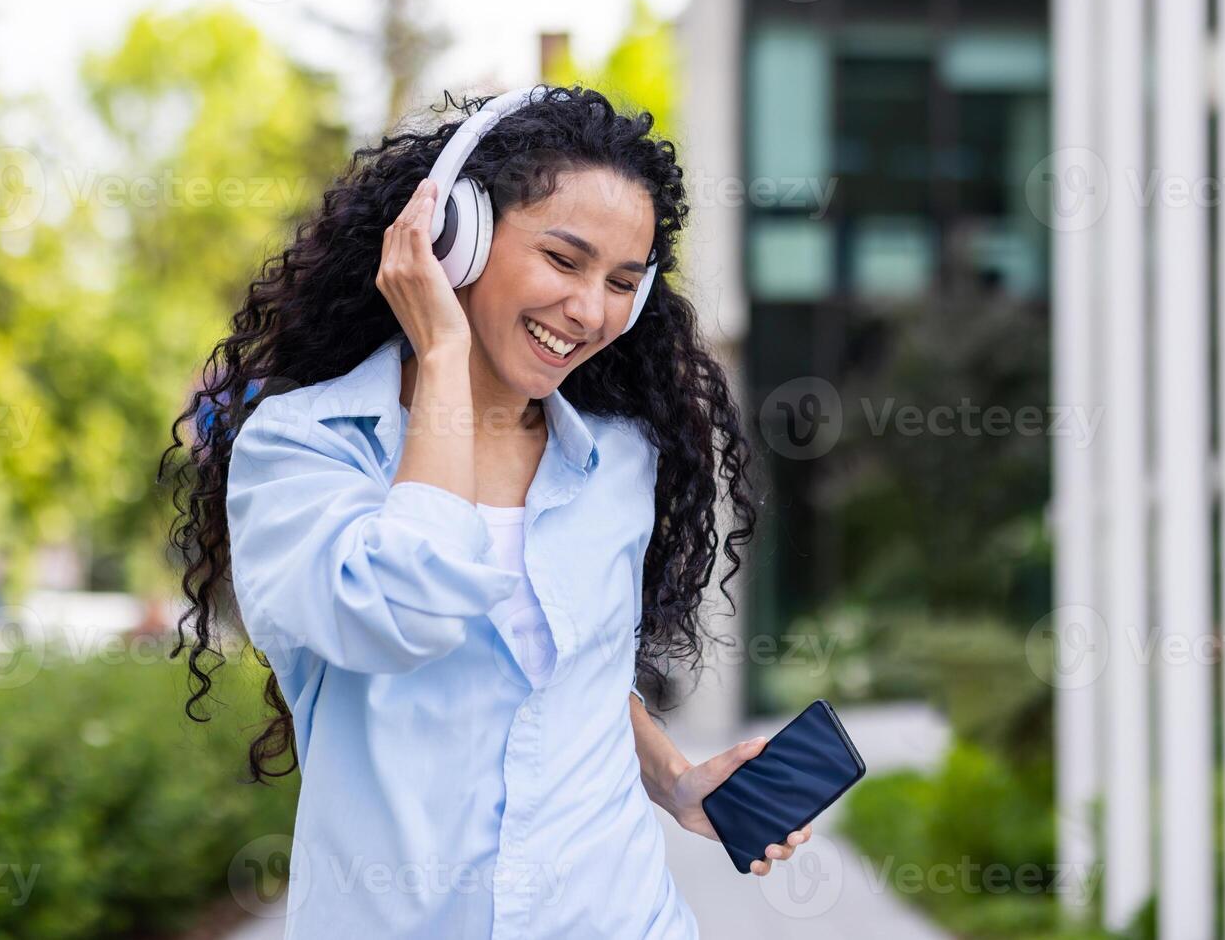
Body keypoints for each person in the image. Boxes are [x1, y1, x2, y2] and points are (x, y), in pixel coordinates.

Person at [161, 84, 810, 938]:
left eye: (622, 281)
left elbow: (574, 671)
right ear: (452, 242)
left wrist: (672, 777)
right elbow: (403, 612)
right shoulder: (303, 447)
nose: (589, 311)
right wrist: (441, 354)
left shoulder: (615, 457)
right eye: (564, 260)